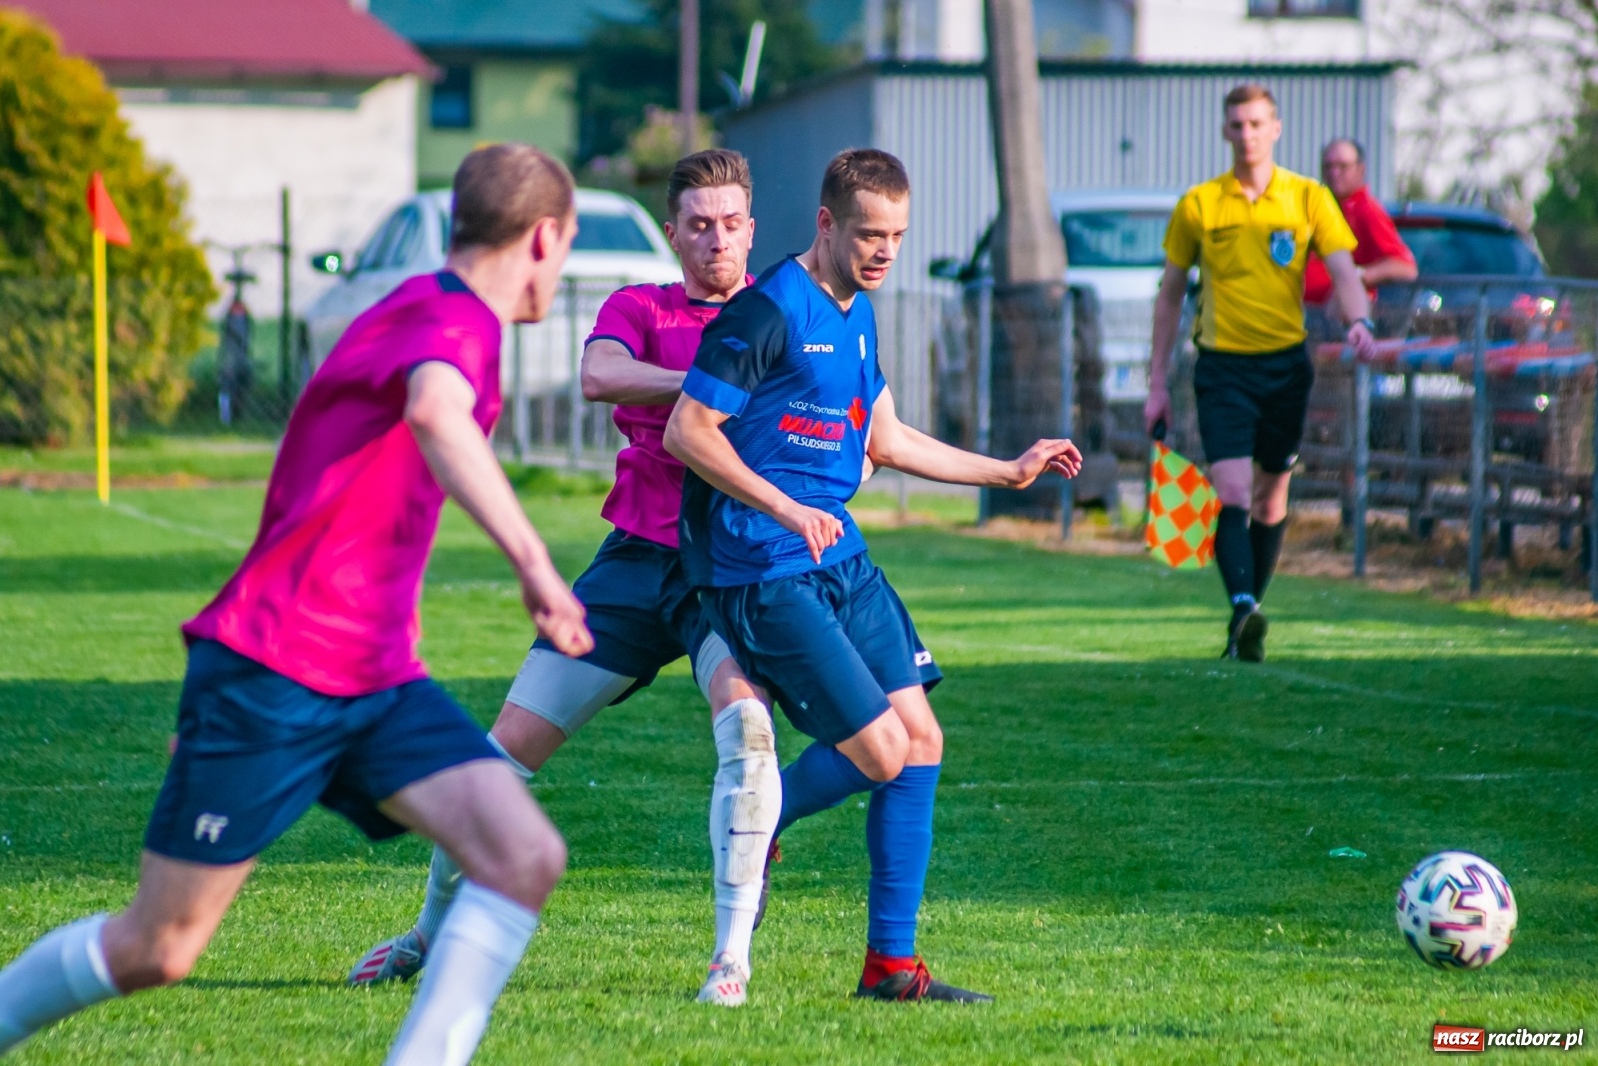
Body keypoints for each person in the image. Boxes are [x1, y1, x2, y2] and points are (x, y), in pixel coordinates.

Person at [0, 144, 592, 1065]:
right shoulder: (458, 321)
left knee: (524, 856)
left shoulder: (421, 305)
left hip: (372, 677)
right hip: (274, 666)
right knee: (159, 947)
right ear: (546, 236)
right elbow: (436, 413)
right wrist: (534, 564)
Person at [349, 148, 782, 1008]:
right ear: (672, 234)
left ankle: (730, 960)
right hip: (632, 561)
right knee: (498, 756)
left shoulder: (777, 313)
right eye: (698, 225)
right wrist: (710, 385)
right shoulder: (641, 305)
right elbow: (598, 373)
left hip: (727, 566)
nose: (716, 241)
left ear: (752, 230)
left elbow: (838, 410)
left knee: (749, 734)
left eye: (731, 225)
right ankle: (429, 934)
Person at [665, 148, 1081, 1003]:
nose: (885, 250)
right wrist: (784, 508)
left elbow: (884, 439)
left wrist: (1008, 471)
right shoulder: (767, 310)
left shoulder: (857, 309)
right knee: (884, 750)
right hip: (762, 566)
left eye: (896, 234)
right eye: (868, 234)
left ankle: (891, 968)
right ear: (825, 224)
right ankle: (763, 820)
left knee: (921, 739)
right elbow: (688, 432)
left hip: (836, 556)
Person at [1144, 84, 1378, 663]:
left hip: (1285, 366)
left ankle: (1242, 624)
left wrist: (1359, 321)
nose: (1246, 134)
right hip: (1221, 367)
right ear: (1226, 132)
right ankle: (1245, 604)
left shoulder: (1307, 197)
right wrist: (1155, 384)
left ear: (1275, 129)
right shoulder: (1199, 204)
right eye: (1237, 125)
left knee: (1273, 499)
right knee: (1233, 492)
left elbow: (1345, 269)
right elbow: (1170, 296)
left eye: (1256, 124)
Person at [1303, 138, 1417, 309]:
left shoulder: (1366, 210)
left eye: (1343, 166)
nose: (1334, 173)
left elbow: (1405, 267)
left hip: (1343, 324)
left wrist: (1354, 279)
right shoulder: (1324, 208)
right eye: (1328, 167)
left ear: (1360, 170)